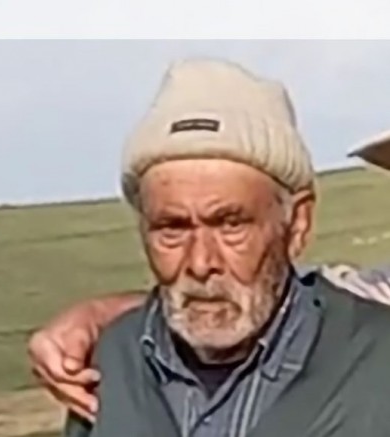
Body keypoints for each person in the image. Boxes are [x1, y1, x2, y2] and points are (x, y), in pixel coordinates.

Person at [31, 60, 390, 436]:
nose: (201, 263)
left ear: (298, 222)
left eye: (232, 224)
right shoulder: (113, 365)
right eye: (172, 228)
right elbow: (303, 290)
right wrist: (97, 317)